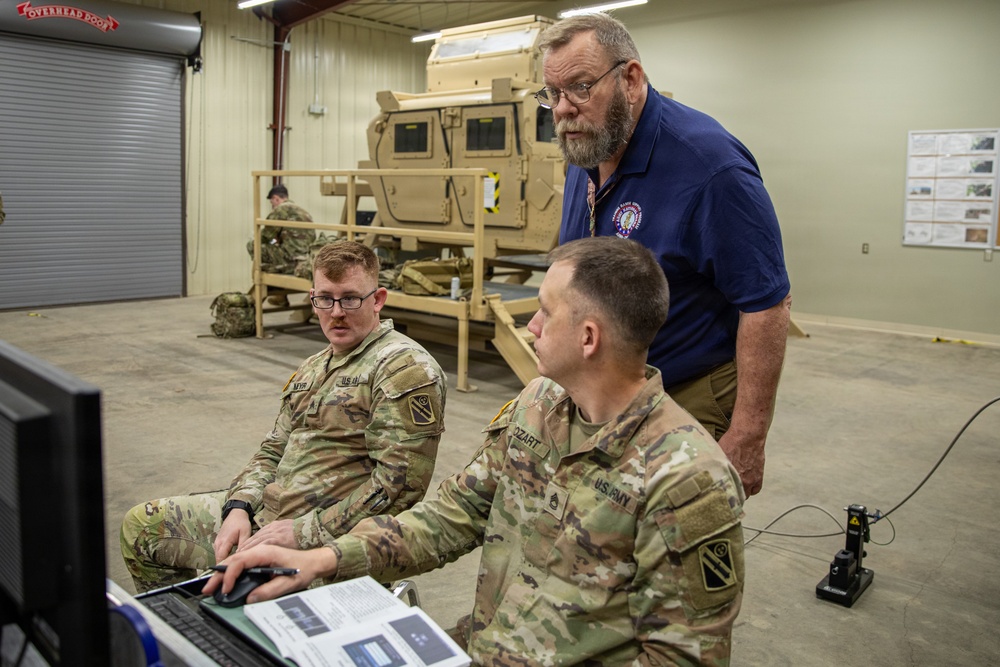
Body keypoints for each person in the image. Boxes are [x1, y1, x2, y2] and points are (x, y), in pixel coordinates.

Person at [205, 236, 746, 665]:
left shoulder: (687, 479)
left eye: (542, 312)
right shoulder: (539, 404)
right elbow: (452, 514)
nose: (529, 326)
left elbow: (680, 657)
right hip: (482, 646)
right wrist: (321, 558)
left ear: (588, 337)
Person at [537, 13, 791, 496]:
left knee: (676, 541)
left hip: (686, 388)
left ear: (630, 79)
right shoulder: (587, 151)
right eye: (552, 93)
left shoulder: (710, 169)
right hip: (604, 389)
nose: (563, 110)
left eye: (581, 87)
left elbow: (766, 303)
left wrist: (748, 436)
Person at [122, 241, 447, 592]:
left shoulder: (403, 368)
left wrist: (303, 532)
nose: (336, 312)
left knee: (257, 612)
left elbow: (398, 488)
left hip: (329, 539)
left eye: (350, 298)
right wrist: (239, 506)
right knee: (142, 526)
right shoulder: (314, 366)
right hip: (268, 514)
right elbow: (273, 449)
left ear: (378, 299)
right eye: (325, 298)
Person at [247, 183, 316, 276]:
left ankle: (269, 270)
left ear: (276, 198)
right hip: (305, 258)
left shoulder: (280, 210)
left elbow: (265, 236)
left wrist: (258, 238)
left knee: (252, 244)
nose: (272, 206)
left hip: (288, 258)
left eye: (272, 203)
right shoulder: (304, 212)